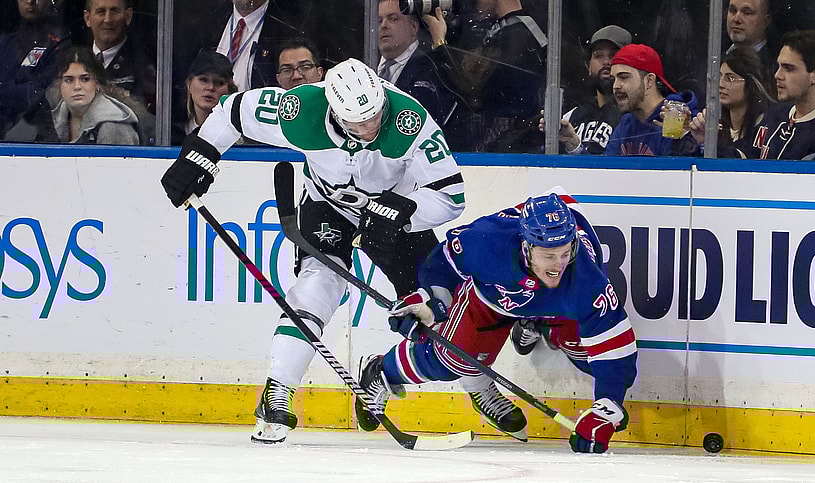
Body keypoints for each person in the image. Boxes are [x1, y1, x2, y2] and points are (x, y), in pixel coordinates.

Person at [160, 58, 465, 444]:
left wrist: (405, 214)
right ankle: (278, 391)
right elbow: (231, 112)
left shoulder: (409, 120)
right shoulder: (300, 109)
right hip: (328, 206)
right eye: (358, 122)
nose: (370, 128)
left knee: (443, 305)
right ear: (335, 112)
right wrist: (199, 157)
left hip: (392, 212)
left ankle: (439, 383)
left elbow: (452, 196)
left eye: (374, 115)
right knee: (319, 286)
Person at [353, 189, 637, 452]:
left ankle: (538, 325)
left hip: (558, 308)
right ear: (526, 247)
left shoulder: (586, 279)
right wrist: (433, 303)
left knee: (586, 356)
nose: (559, 264)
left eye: (565, 253)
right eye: (548, 255)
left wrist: (607, 406)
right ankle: (381, 372)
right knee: (455, 359)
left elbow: (614, 348)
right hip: (492, 298)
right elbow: (443, 262)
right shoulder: (488, 242)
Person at [423, 0, 547, 153]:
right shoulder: (504, 30)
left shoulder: (518, 35)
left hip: (509, 145)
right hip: (499, 139)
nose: (474, 4)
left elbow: (474, 92)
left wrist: (440, 44)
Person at [749, 30, 815, 160]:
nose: (777, 75)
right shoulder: (775, 114)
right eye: (779, 66)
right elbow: (746, 152)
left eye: (788, 68)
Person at [5, 46, 139, 144]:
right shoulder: (50, 119)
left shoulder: (113, 127)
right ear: (59, 85)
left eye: (85, 79)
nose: (77, 86)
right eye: (69, 80)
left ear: (97, 83)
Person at [539, 25, 632, 155]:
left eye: (613, 55)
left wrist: (574, 145)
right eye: (598, 55)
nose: (606, 62)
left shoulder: (636, 116)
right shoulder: (570, 117)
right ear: (589, 66)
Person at [604, 43, 701, 156]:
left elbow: (677, 170)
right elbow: (603, 169)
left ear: (649, 81)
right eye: (613, 79)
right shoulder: (626, 123)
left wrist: (684, 139)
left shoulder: (677, 118)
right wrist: (577, 147)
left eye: (624, 77)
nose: (615, 85)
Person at [377, 0, 459, 131]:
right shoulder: (364, 63)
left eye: (393, 19)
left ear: (414, 27)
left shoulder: (430, 69)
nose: (384, 25)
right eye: (379, 20)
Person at [686, 47, 775, 158]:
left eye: (730, 78)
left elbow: (745, 166)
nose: (721, 84)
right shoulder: (717, 127)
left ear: (752, 84)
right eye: (720, 76)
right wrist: (695, 139)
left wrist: (712, 144)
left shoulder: (767, 129)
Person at [0, 0, 71, 137]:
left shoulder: (61, 44)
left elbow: (37, 93)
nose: (30, 1)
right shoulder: (5, 43)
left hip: (36, 136)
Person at [83, 0, 156, 113]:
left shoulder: (146, 63)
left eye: (115, 11)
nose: (108, 19)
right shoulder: (74, 58)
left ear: (128, 16)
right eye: (101, 12)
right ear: (87, 18)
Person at [171, 50, 238, 145]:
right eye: (203, 80)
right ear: (189, 85)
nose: (211, 87)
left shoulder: (236, 134)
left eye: (219, 82)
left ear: (229, 90)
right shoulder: (170, 133)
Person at [725, 0, 778, 80]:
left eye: (747, 13)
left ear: (765, 22)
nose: (736, 19)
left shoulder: (775, 68)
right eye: (733, 11)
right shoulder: (710, 62)